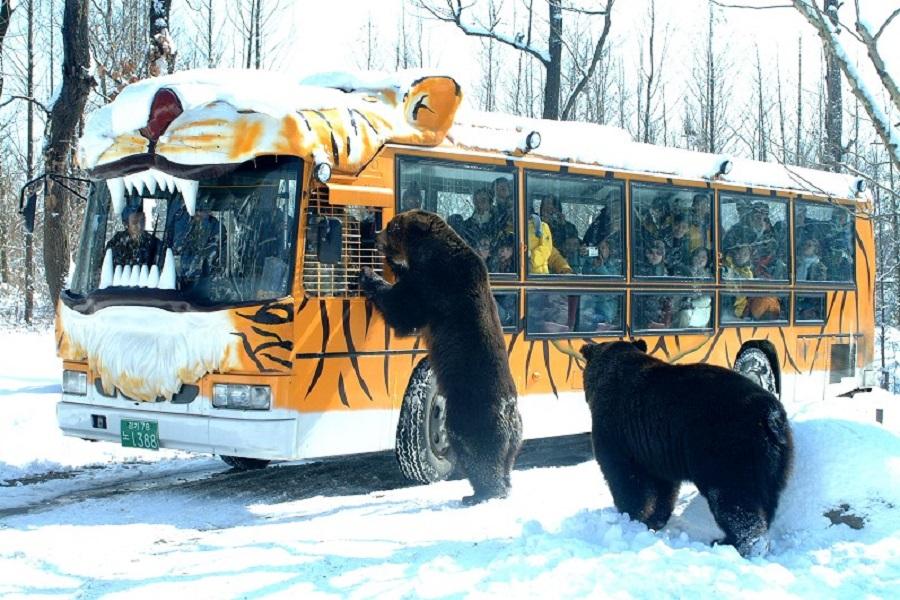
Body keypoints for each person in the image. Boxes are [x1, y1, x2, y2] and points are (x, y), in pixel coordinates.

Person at [171, 206, 226, 280]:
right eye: (196, 210)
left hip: (208, 279)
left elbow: (219, 251)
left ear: (208, 211)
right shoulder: (183, 224)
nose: (199, 213)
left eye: (202, 209)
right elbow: (176, 246)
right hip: (182, 278)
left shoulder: (217, 228)